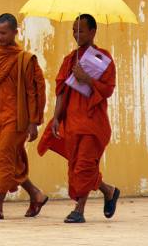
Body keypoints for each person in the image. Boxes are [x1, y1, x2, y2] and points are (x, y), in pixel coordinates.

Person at [38, 14, 120, 223]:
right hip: (73, 121)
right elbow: (61, 92)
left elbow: (108, 90)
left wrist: (87, 79)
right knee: (78, 166)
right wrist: (56, 118)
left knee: (84, 166)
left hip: (93, 122)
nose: (76, 34)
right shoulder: (69, 60)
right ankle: (109, 191)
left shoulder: (102, 58)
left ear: (93, 32)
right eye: (74, 30)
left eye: (81, 30)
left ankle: (79, 210)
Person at [0, 13, 47, 220]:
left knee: (3, 160)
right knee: (11, 161)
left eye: (4, 32)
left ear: (15, 32)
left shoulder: (25, 59)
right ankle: (36, 194)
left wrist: (34, 122)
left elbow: (34, 91)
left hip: (16, 118)